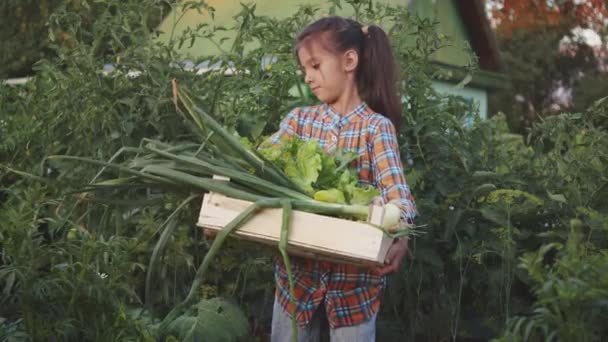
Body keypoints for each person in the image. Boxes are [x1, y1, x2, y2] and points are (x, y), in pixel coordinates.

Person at [267, 16, 418, 341]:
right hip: (297, 283)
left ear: (349, 60)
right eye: (304, 69)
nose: (307, 77)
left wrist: (402, 233)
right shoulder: (298, 123)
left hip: (355, 286)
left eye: (315, 65)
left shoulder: (376, 128)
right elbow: (259, 165)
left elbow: (398, 196)